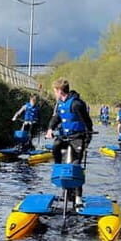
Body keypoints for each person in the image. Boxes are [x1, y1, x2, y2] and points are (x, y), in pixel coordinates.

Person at [45, 79, 93, 207]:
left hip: (78, 137)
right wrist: (50, 129)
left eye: (55, 91)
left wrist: (87, 140)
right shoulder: (60, 103)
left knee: (75, 166)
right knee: (55, 146)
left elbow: (88, 122)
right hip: (64, 136)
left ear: (59, 91)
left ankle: (78, 197)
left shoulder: (77, 104)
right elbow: (57, 118)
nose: (54, 94)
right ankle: (59, 170)